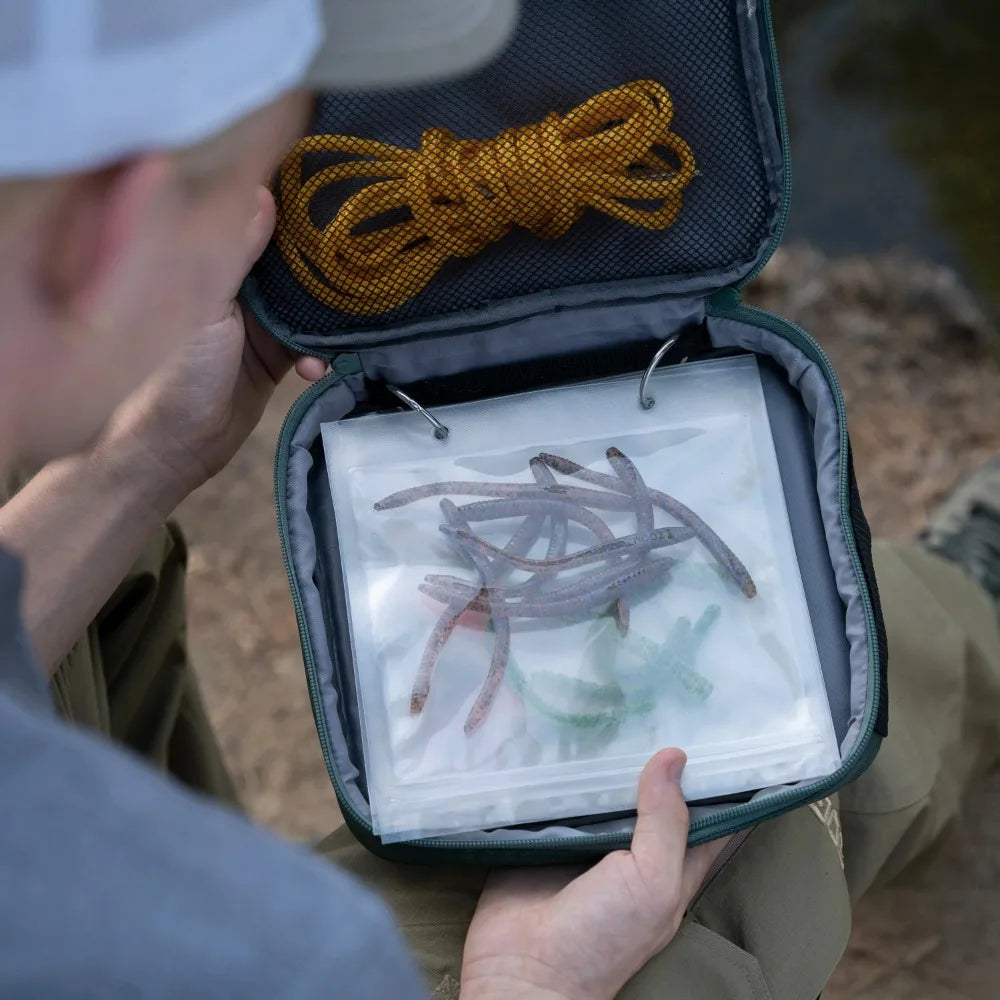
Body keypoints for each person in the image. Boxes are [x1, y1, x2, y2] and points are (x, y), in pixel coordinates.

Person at [1, 2, 998, 999]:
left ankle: (951, 626)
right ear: (114, 225)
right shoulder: (304, 956)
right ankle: (960, 622)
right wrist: (524, 985)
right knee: (701, 873)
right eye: (245, 173)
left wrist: (136, 460)